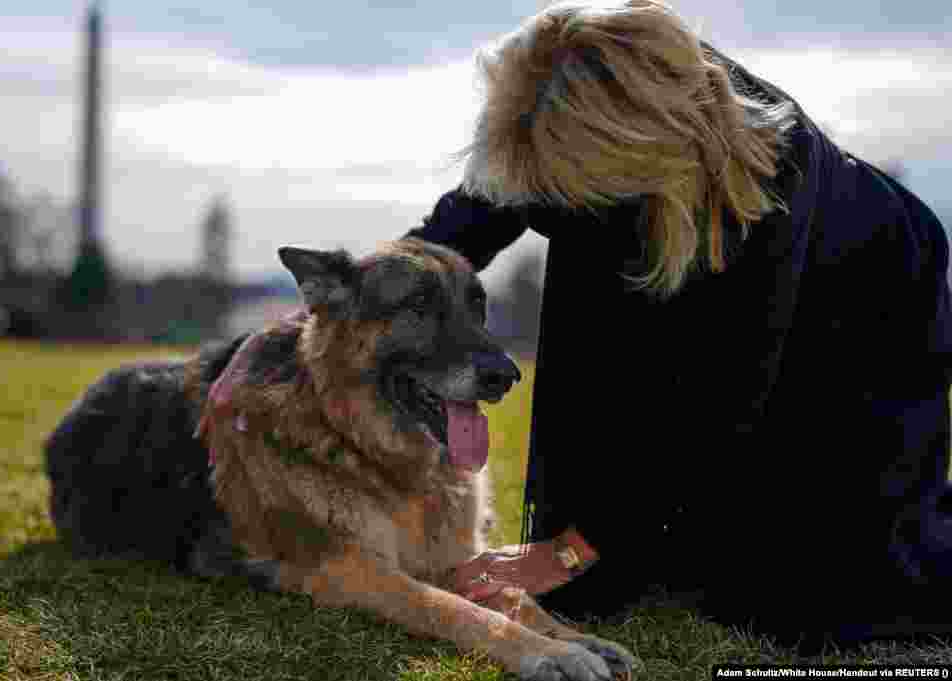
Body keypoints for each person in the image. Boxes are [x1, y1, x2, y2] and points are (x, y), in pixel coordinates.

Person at [404, 0, 952, 653]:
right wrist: (376, 285)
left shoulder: (770, 197)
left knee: (815, 593)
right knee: (619, 573)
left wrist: (565, 552)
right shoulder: (559, 94)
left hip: (869, 298)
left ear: (628, 159)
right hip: (680, 228)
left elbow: (716, 407)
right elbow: (483, 200)